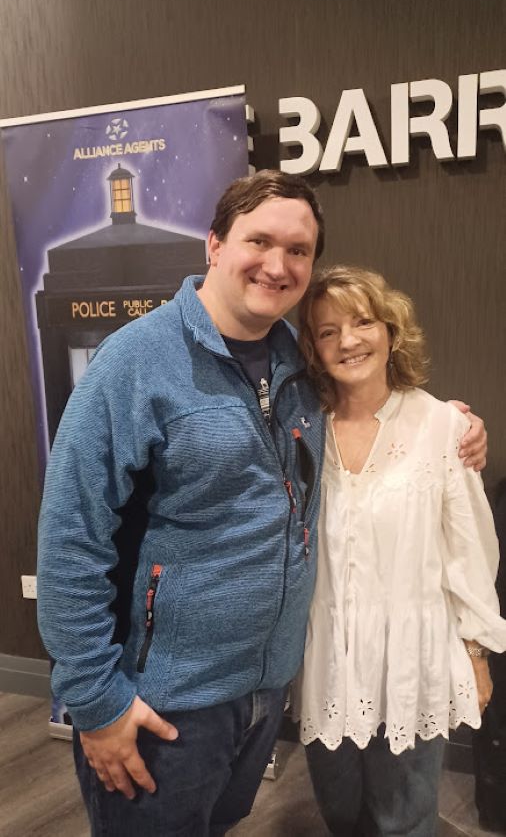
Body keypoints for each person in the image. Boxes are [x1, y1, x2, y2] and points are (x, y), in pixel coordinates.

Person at [37, 171, 486, 837]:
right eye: (259, 241)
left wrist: (451, 424)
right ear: (215, 245)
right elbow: (70, 539)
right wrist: (96, 701)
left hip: (266, 692)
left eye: (298, 250)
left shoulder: (298, 364)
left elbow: (374, 414)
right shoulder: (133, 363)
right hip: (164, 702)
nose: (278, 265)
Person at [294, 264, 506, 837]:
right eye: (328, 331)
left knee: (405, 820)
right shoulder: (301, 429)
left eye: (363, 322)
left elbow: (469, 551)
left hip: (413, 659)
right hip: (326, 660)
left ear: (391, 330)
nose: (348, 341)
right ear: (313, 347)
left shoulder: (441, 426)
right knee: (340, 813)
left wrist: (476, 653)